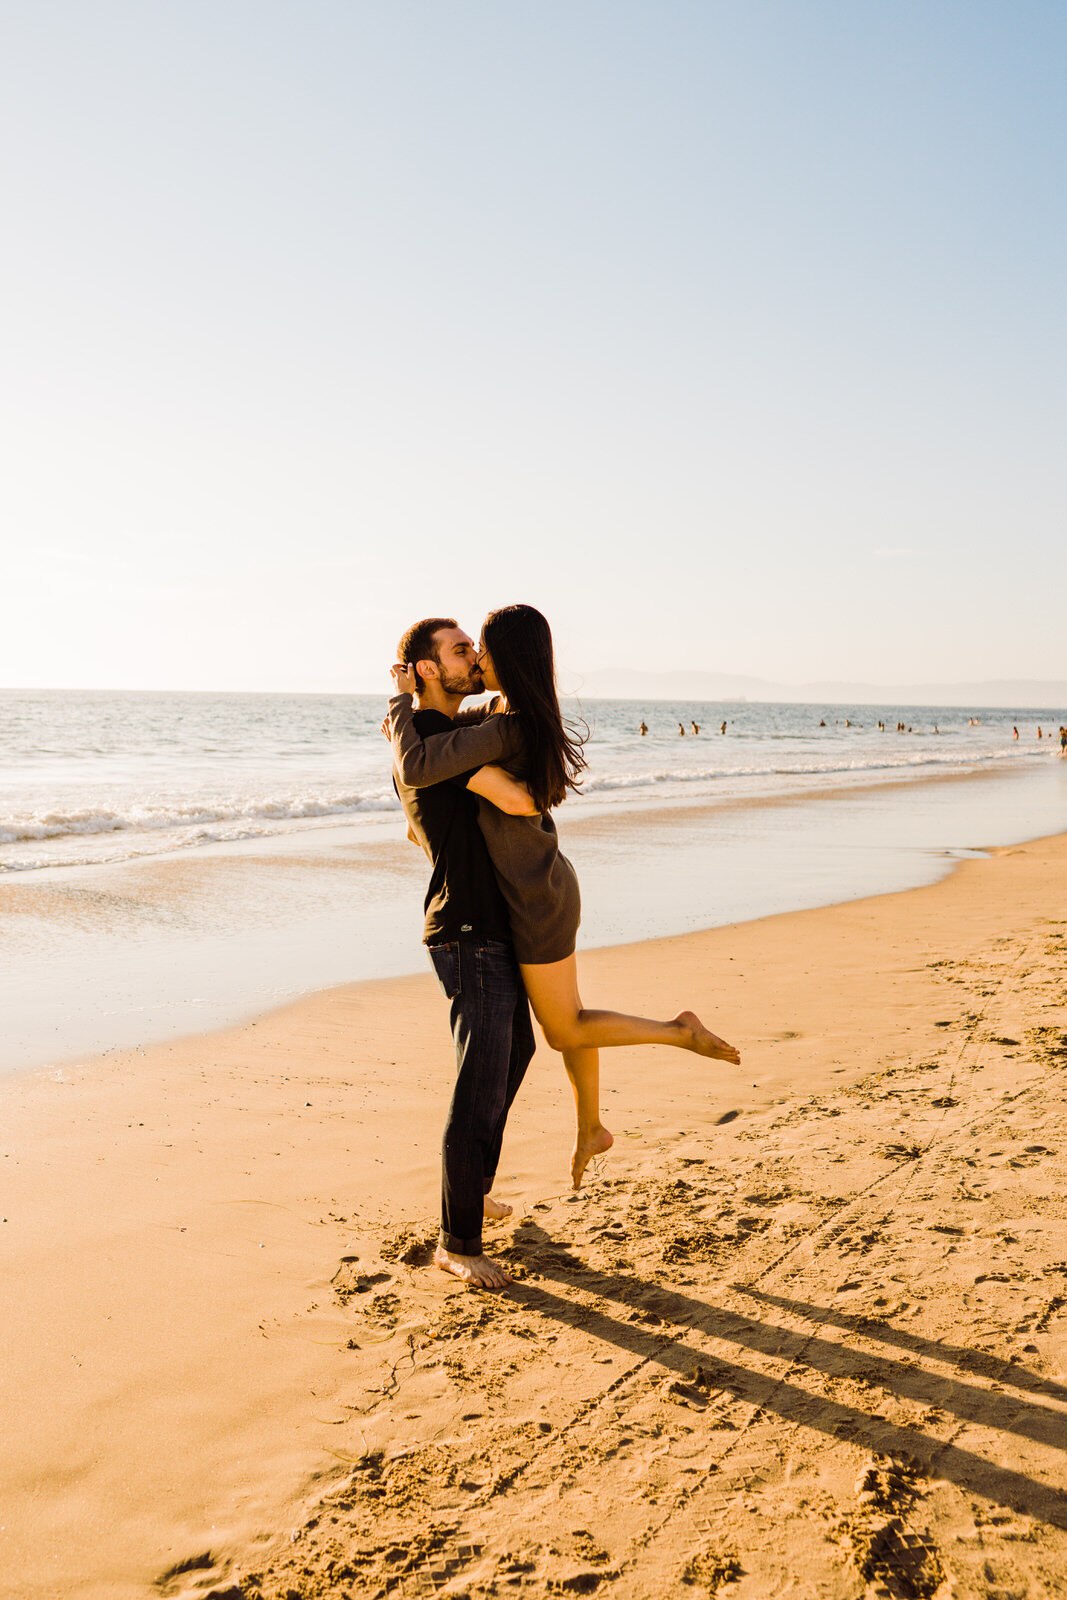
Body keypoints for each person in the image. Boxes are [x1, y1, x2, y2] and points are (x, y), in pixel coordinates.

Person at [388, 604, 742, 1189]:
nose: (476, 657)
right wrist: (416, 711)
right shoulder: (503, 713)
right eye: (467, 649)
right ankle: (590, 1127)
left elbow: (422, 762)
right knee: (571, 1019)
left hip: (534, 898)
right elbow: (442, 731)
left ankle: (678, 1031)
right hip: (544, 884)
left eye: (482, 649)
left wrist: (400, 707)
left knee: (564, 1029)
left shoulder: (507, 725)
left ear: (507, 658)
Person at [390, 617, 540, 1288]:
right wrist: (400, 706)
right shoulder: (423, 735)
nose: (472, 657)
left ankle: (472, 1190)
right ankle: (457, 1242)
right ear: (426, 669)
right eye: (459, 651)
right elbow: (439, 749)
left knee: (516, 1053)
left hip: (489, 922)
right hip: (465, 927)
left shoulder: (444, 729)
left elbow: (503, 711)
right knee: (478, 1080)